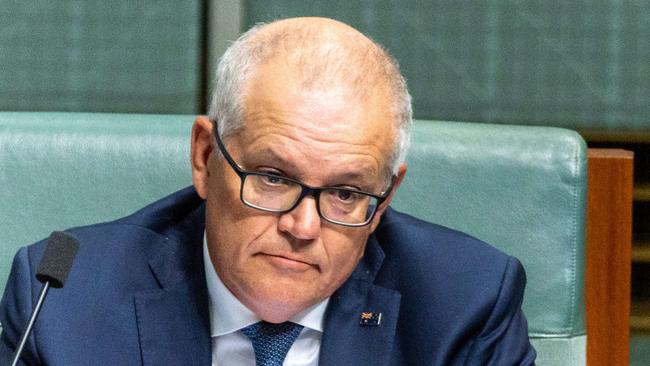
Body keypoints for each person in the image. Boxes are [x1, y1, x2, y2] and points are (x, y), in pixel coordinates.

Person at [0, 17, 535, 365]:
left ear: (386, 198)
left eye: (347, 193)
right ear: (206, 158)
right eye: (274, 178)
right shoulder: (63, 296)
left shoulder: (466, 304)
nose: (303, 228)